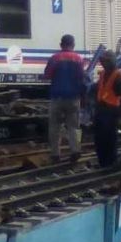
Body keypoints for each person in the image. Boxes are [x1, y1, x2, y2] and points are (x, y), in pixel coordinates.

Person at [45, 34, 84, 163]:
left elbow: (47, 74)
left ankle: (55, 154)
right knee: (73, 126)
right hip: (73, 98)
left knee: (55, 126)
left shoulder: (55, 58)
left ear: (61, 44)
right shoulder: (79, 59)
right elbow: (81, 77)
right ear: (73, 45)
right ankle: (75, 151)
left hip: (57, 97)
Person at [93, 50, 121, 169]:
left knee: (110, 139)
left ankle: (110, 162)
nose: (103, 63)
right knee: (99, 139)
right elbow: (98, 89)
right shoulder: (103, 74)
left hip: (111, 111)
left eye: (106, 61)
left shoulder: (118, 76)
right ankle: (103, 162)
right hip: (101, 110)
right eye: (103, 61)